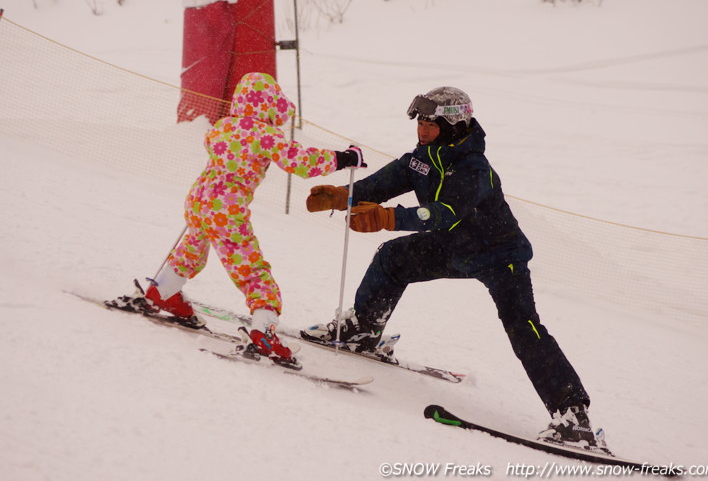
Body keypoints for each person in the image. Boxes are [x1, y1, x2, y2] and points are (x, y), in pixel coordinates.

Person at [303, 86, 604, 450]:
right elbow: (387, 181)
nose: (423, 129)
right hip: (454, 247)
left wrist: (388, 217)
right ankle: (363, 330)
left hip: (499, 255)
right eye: (421, 121)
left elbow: (445, 213)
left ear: (453, 123)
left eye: (432, 122)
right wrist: (344, 197)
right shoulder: (423, 157)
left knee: (522, 326)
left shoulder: (473, 168)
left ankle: (573, 416)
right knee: (392, 258)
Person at [142, 72, 365, 366]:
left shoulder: (222, 127)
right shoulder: (265, 135)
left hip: (199, 200)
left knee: (193, 247)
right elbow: (299, 162)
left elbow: (214, 147)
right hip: (228, 210)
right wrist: (344, 158)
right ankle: (264, 330)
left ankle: (163, 290)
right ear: (270, 105)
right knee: (251, 270)